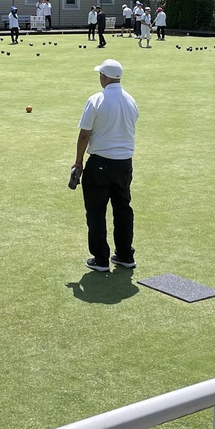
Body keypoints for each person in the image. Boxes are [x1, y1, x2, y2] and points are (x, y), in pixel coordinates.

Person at [73, 58, 139, 273]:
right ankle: (125, 254)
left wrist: (78, 162)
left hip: (100, 163)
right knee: (123, 209)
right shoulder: (131, 100)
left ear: (104, 77)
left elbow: (84, 134)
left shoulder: (96, 100)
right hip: (124, 164)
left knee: (96, 211)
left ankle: (101, 259)